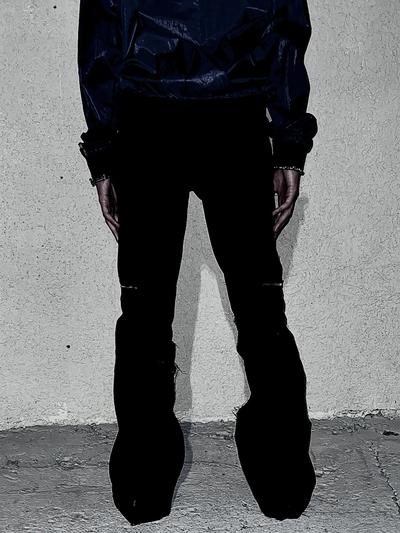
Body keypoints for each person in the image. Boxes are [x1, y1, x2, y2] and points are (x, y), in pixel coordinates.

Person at [77, 0, 318, 526]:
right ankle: (283, 483)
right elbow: (283, 31)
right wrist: (288, 143)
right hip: (235, 122)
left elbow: (101, 41)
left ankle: (142, 488)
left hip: (146, 125)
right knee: (260, 309)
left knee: (144, 312)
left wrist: (104, 154)